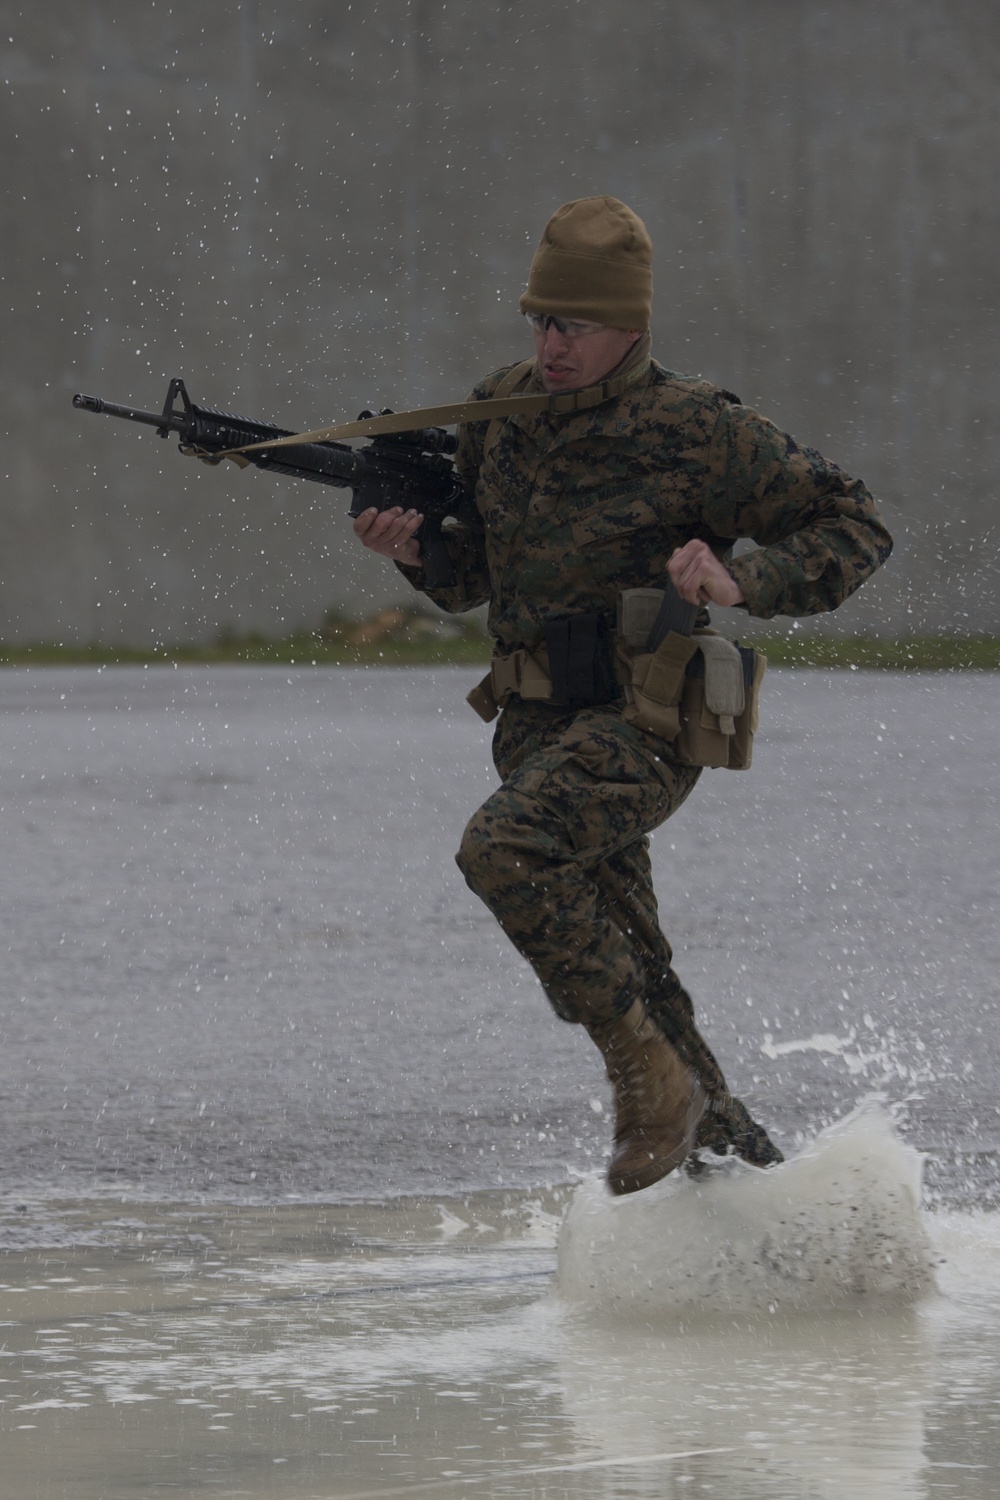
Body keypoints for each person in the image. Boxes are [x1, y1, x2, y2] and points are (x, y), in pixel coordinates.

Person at [353, 196, 892, 1195]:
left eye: (575, 327)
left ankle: (645, 1082)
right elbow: (477, 574)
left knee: (505, 849)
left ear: (630, 329)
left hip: (647, 720)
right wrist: (417, 550)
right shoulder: (499, 415)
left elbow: (852, 524)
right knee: (633, 967)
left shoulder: (697, 430)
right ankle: (749, 1188)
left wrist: (745, 583)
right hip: (532, 725)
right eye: (541, 322)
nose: (552, 346)